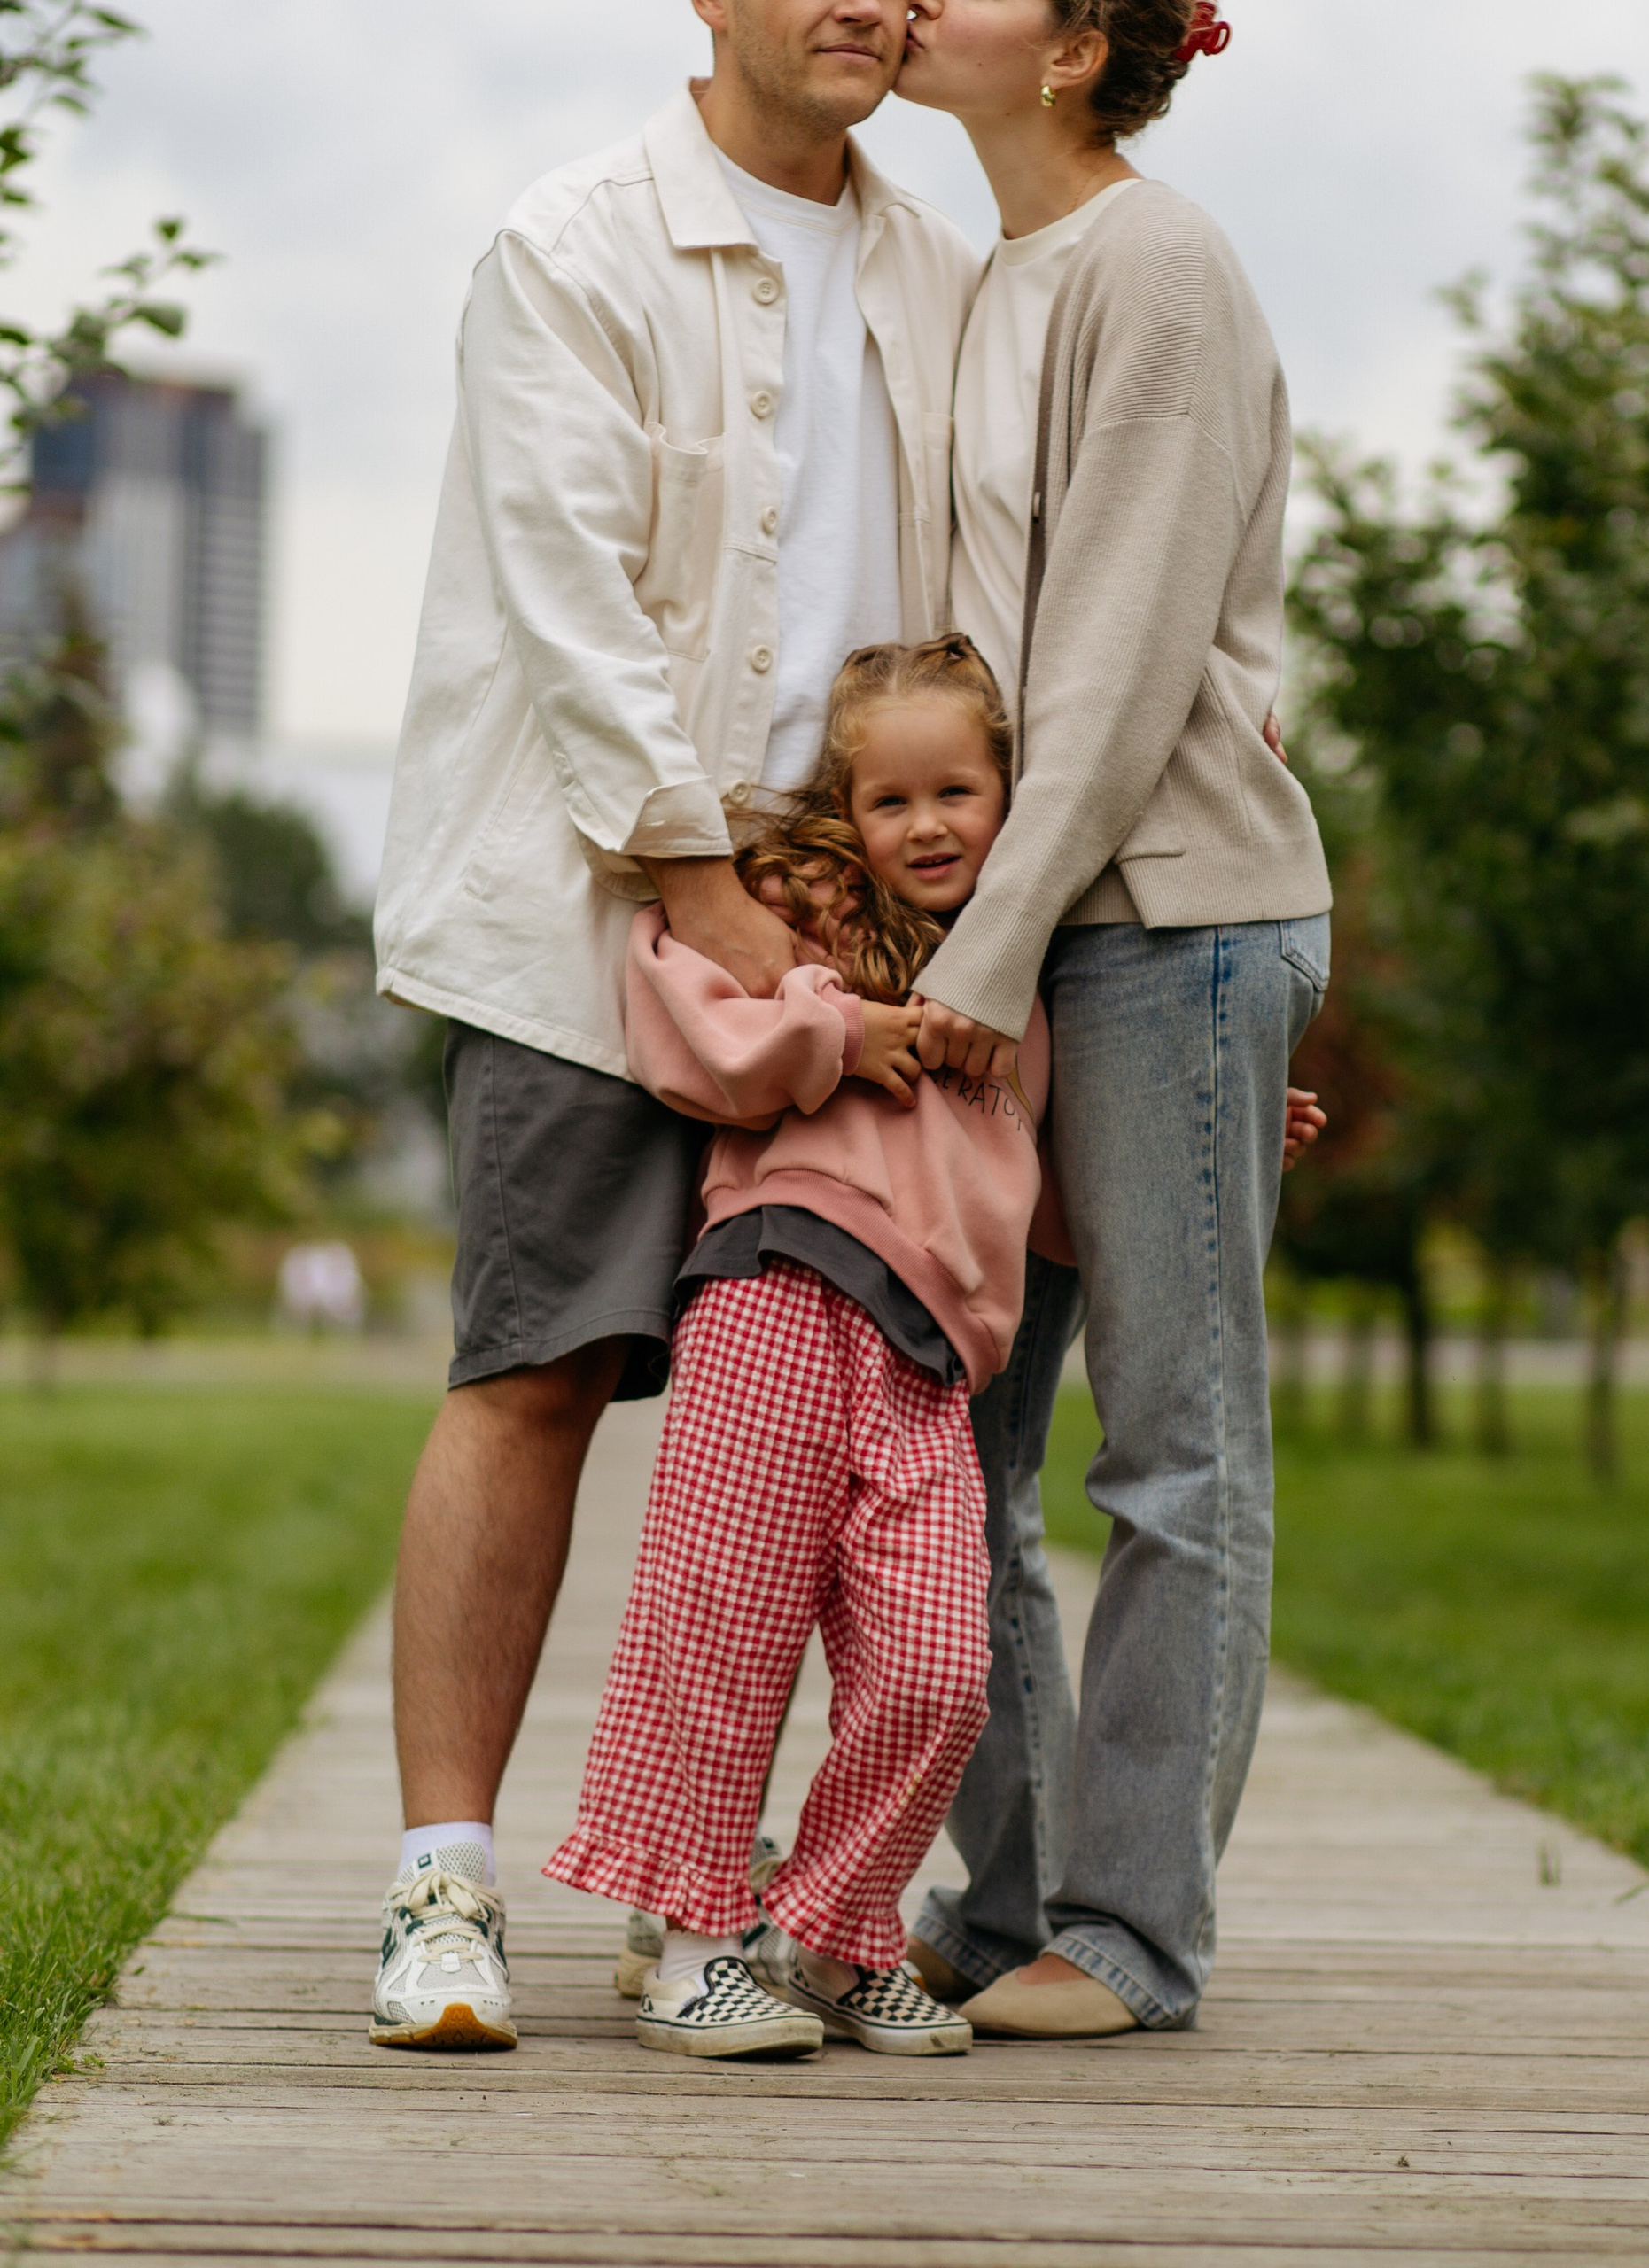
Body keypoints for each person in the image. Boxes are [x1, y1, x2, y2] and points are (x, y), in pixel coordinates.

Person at [365, 0, 976, 2052]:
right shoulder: (574, 244)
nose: (864, 2)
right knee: (534, 1367)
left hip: (857, 970)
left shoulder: (939, 268)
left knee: (812, 1433)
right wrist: (710, 901)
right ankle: (442, 1886)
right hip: (587, 928)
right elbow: (571, 604)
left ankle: (701, 1888)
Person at [892, 0, 1334, 2039]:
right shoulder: (1000, 272)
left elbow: (1137, 645)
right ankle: (1009, 1907)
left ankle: (1132, 1931)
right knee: (942, 1435)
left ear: (1075, 46)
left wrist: (986, 947)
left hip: (1153, 915)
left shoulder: (1153, 264)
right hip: (1035, 917)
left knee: (1167, 1446)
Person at [547, 636, 1056, 2062]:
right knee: (720, 1634)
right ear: (848, 809)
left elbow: (1055, 1185)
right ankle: (690, 1949)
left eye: (958, 790)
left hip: (929, 1364)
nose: (929, 825)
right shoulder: (800, 922)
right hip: (779, 1290)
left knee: (943, 1669)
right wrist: (839, 1032)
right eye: (890, 801)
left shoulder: (1028, 980)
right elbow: (681, 1024)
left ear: (1011, 794)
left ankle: (825, 1936)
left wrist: (1245, 1126)